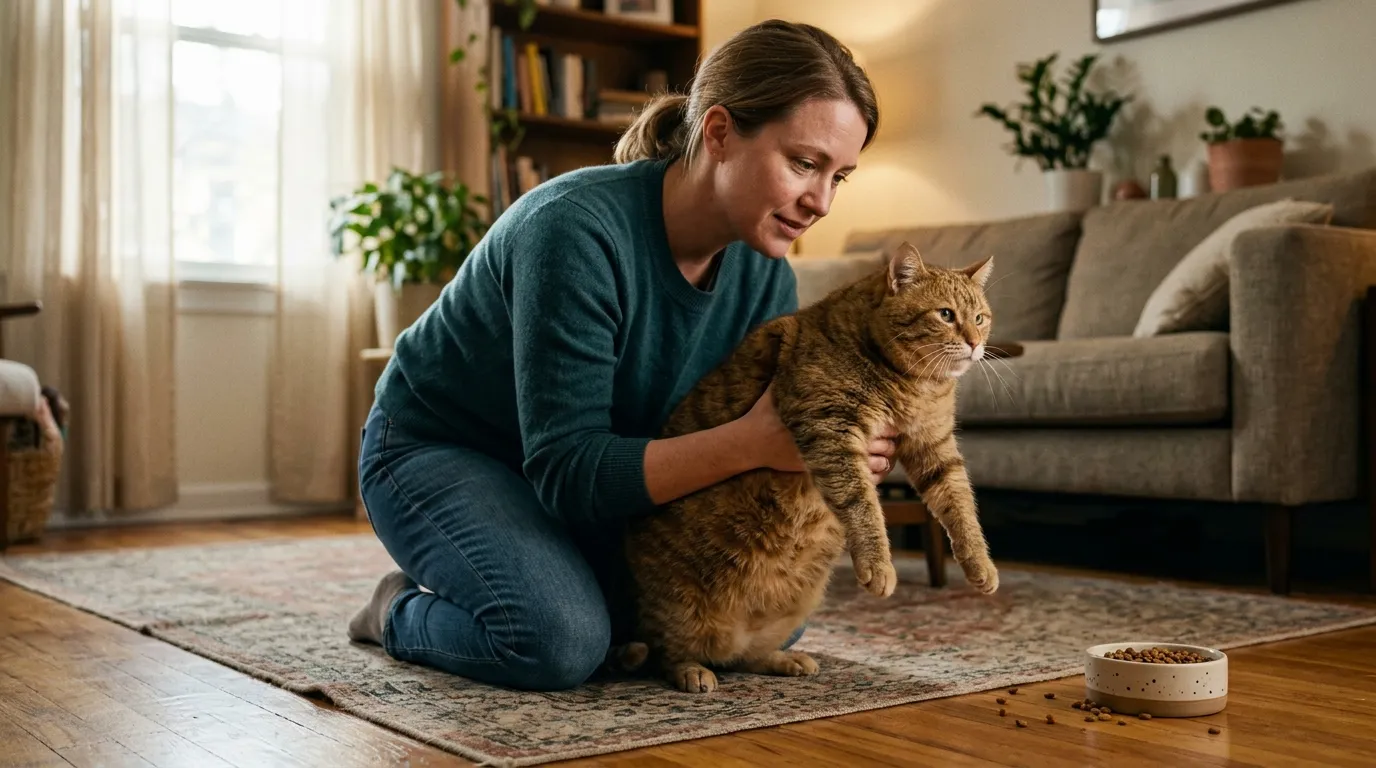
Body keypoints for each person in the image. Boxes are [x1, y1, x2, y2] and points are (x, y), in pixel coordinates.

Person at [347, 19, 890, 692]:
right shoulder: (573, 231)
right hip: (441, 450)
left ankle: (539, 576)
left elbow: (764, 441)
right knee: (559, 641)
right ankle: (395, 610)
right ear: (718, 133)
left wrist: (833, 442)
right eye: (804, 163)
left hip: (596, 475)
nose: (822, 202)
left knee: (752, 620)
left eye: (841, 176)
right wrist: (758, 443)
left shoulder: (766, 274)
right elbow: (570, 471)